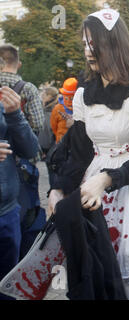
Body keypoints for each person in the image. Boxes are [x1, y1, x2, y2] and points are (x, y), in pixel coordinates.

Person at [47, 8, 129, 300]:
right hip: (91, 192)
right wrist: (57, 189)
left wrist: (106, 179)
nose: (88, 51)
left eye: (95, 43)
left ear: (114, 45)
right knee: (96, 268)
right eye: (84, 44)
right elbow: (78, 154)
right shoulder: (82, 95)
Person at [0, 86, 39, 300]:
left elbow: (31, 151)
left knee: (7, 287)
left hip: (7, 213)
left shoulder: (3, 104)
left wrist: (15, 115)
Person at [50, 78, 78, 143]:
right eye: (66, 98)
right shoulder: (58, 108)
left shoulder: (82, 108)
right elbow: (54, 127)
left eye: (72, 98)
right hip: (61, 143)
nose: (68, 102)